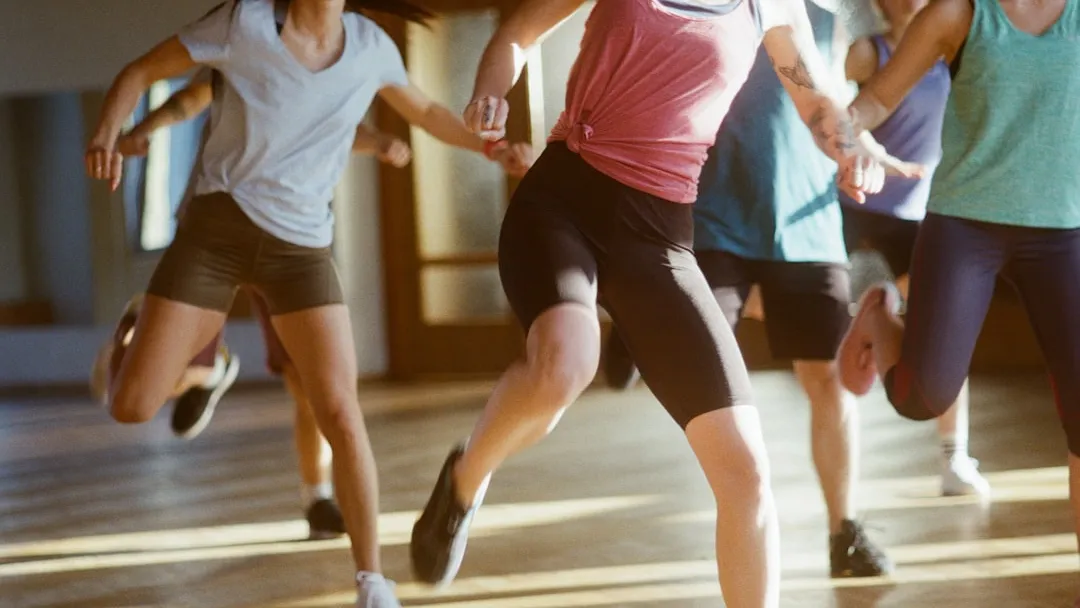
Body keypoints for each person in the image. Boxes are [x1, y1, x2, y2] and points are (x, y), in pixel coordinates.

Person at [407, 0, 921, 603]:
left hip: (659, 240)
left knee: (746, 473)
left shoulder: (771, 5)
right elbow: (517, 33)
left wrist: (850, 147)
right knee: (565, 366)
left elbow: (816, 103)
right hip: (564, 203)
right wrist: (490, 92)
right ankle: (465, 481)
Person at [85, 0, 529, 605]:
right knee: (132, 407)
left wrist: (488, 149)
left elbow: (424, 112)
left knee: (341, 412)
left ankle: (373, 582)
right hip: (215, 235)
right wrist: (109, 134)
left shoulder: (372, 46)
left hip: (301, 252)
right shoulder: (243, 25)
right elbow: (140, 73)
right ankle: (151, 333)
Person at [603, 0, 892, 578]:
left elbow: (843, 99)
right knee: (706, 378)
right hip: (712, 213)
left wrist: (862, 150)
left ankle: (845, 530)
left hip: (805, 221)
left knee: (828, 378)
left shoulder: (831, 18)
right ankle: (633, 320)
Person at [90, 69, 416, 538]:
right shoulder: (238, 53)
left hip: (287, 244)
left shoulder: (312, 71)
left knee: (308, 388)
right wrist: (141, 130)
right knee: (177, 380)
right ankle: (209, 368)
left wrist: (379, 141)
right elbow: (187, 97)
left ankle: (316, 499)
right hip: (210, 241)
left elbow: (335, 130)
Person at [838, 0, 1080, 595]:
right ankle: (878, 313)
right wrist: (850, 136)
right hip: (965, 226)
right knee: (921, 397)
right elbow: (873, 101)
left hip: (1065, 230)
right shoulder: (959, 14)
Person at [841, 0, 990, 498]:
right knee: (829, 323)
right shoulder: (868, 51)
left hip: (920, 216)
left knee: (945, 334)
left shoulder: (953, 43)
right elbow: (818, 90)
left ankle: (955, 458)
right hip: (859, 210)